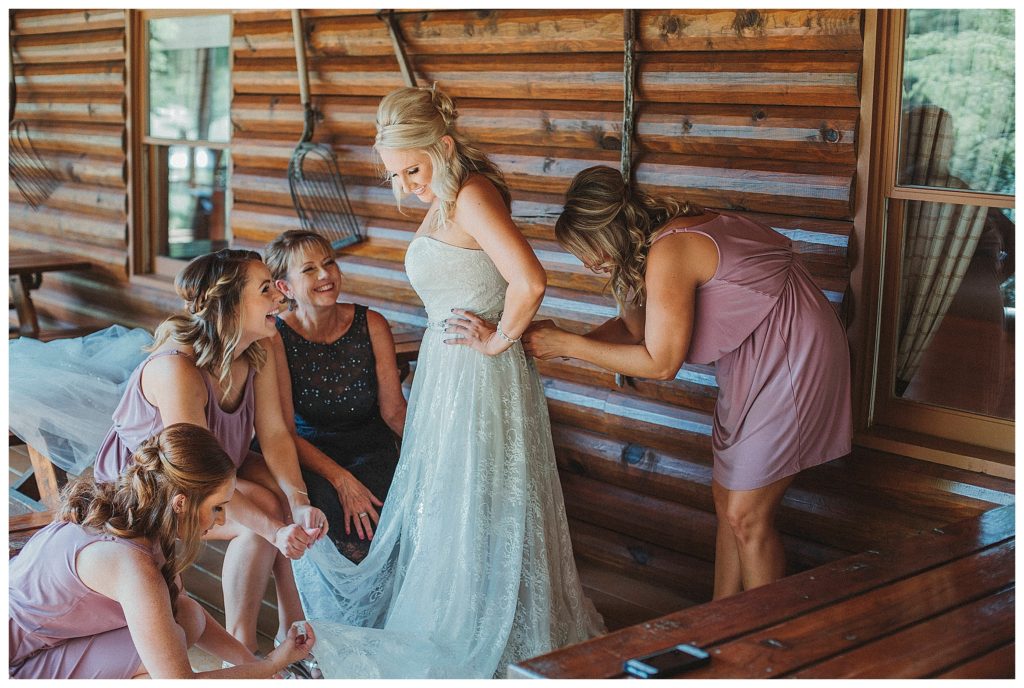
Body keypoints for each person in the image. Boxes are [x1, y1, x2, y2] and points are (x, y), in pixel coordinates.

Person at [291, 85, 603, 679]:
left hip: (479, 375)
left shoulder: (472, 196)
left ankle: (491, 622)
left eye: (413, 167)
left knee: (480, 494)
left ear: (445, 144)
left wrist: (498, 340)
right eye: (395, 174)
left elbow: (530, 282)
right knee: (453, 501)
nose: (407, 184)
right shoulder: (446, 197)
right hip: (446, 370)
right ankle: (458, 609)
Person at [523, 165, 852, 598]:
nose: (587, 263)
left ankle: (764, 646)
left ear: (611, 233)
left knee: (747, 515)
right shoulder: (651, 252)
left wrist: (564, 344)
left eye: (588, 249)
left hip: (793, 353)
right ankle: (719, 619)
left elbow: (661, 363)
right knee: (727, 503)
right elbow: (633, 332)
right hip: (752, 360)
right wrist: (559, 345)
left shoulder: (671, 250)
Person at [91, 248, 328, 652]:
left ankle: (296, 634)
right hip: (158, 493)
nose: (281, 297)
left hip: (220, 474)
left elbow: (273, 435)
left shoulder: (259, 348)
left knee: (286, 503)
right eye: (266, 289)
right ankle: (241, 654)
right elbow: (197, 474)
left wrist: (299, 500)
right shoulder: (178, 371)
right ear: (230, 303)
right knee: (264, 523)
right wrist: (275, 528)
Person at [9, 423, 316, 679]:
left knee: (186, 617)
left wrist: (252, 662)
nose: (222, 520)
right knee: (155, 671)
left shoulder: (136, 514)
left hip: (43, 641)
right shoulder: (132, 565)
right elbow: (178, 682)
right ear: (181, 504)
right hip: (14, 663)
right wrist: (271, 665)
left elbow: (183, 610)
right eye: (217, 507)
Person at [264, 229, 407, 562]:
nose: (325, 275)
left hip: (371, 446)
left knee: (388, 502)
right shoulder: (276, 338)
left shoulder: (372, 323)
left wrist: (436, 455)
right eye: (309, 269)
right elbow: (283, 431)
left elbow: (394, 412)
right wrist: (341, 479)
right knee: (326, 506)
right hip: (311, 451)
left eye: (329, 263)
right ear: (285, 287)